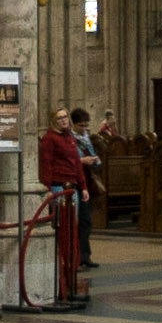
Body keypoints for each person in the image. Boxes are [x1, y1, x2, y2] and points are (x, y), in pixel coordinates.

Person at [39, 104, 90, 286]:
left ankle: (72, 262)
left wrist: (83, 186)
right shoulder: (49, 139)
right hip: (57, 187)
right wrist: (47, 188)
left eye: (65, 117)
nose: (63, 120)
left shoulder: (70, 137)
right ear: (54, 120)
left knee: (72, 226)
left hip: (72, 187)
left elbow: (76, 164)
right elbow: (46, 164)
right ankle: (61, 262)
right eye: (59, 118)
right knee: (61, 226)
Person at [70, 109, 102, 266]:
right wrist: (83, 161)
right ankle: (75, 257)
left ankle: (85, 255)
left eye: (86, 126)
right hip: (73, 182)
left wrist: (95, 161)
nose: (84, 129)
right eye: (81, 126)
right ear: (73, 124)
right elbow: (69, 160)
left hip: (86, 182)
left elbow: (95, 158)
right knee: (75, 220)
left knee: (86, 220)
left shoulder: (86, 139)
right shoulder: (69, 139)